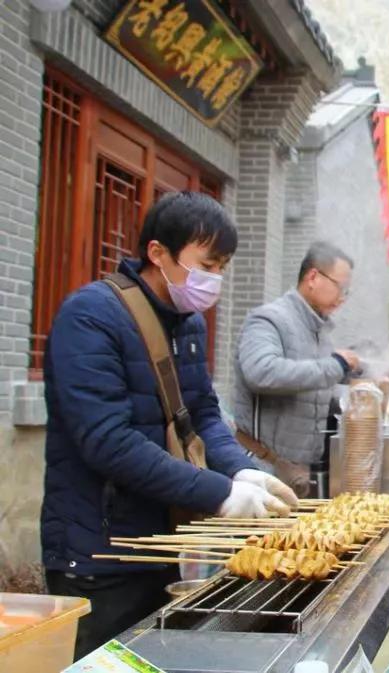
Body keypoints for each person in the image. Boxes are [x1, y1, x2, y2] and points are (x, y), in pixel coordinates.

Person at [42, 192, 297, 659]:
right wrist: (218, 493)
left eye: (223, 266)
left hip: (162, 535)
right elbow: (107, 441)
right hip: (100, 549)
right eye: (207, 264)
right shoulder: (91, 316)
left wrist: (240, 469)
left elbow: (200, 413)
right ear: (158, 253)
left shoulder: (188, 323)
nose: (214, 279)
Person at [233, 241, 361, 496]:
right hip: (261, 468)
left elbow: (313, 383)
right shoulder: (269, 319)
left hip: (299, 474)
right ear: (313, 277)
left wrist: (355, 376)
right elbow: (261, 372)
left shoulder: (321, 333)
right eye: (340, 287)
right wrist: (334, 366)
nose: (342, 298)